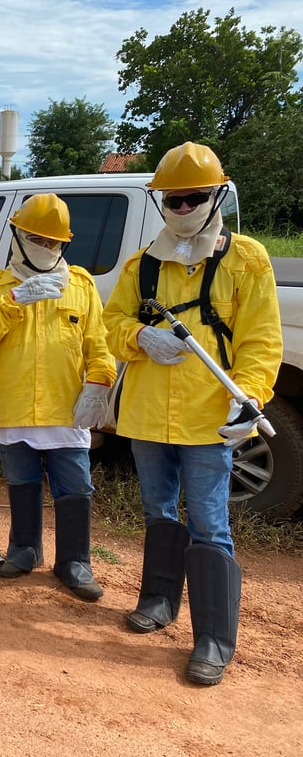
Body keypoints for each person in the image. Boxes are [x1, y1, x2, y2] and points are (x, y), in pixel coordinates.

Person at [102, 142, 282, 684]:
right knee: (158, 510)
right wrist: (140, 337)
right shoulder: (143, 264)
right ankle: (158, 600)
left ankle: (212, 639)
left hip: (209, 419)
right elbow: (110, 325)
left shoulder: (247, 260)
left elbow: (260, 340)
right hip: (148, 416)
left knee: (209, 521)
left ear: (217, 195)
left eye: (192, 199)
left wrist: (249, 395)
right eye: (171, 201)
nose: (181, 209)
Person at [0, 193, 116, 600]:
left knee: (75, 487)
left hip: (65, 410)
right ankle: (24, 549)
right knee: (22, 481)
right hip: (13, 408)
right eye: (35, 238)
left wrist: (99, 384)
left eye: (52, 242)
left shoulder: (81, 286)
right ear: (16, 235)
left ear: (64, 244)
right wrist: (14, 300)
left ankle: (75, 561)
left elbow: (98, 345)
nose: (43, 247)